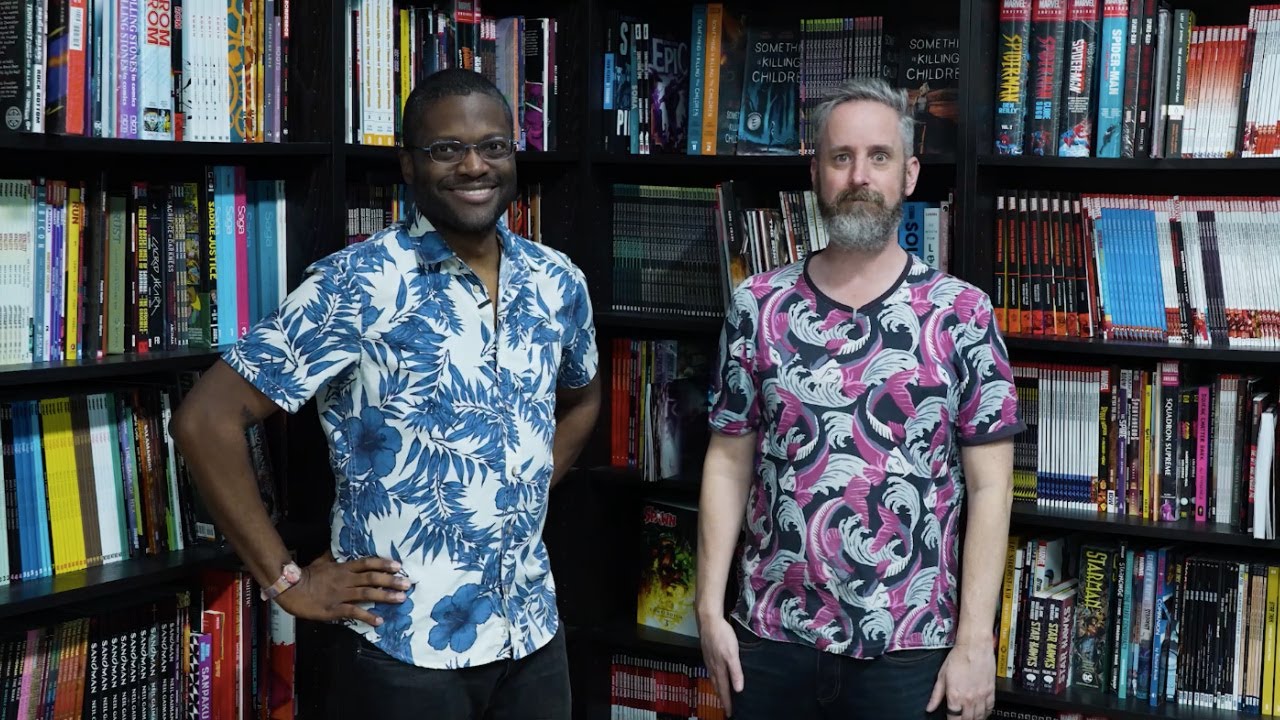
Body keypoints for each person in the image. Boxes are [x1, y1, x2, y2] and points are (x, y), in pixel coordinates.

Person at [170, 68, 600, 720]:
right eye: (446, 149)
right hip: (402, 650)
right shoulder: (358, 283)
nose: (474, 165)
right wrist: (287, 581)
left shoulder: (557, 280)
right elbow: (206, 420)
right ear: (408, 163)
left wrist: (520, 490)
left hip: (533, 633)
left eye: (493, 146)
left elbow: (582, 399)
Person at [695, 77, 1024, 720]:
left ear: (909, 174)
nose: (859, 177)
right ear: (815, 172)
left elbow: (991, 488)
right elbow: (728, 461)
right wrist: (708, 611)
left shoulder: (962, 313)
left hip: (912, 651)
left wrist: (974, 643)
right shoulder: (757, 304)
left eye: (879, 157)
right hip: (770, 640)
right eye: (841, 157)